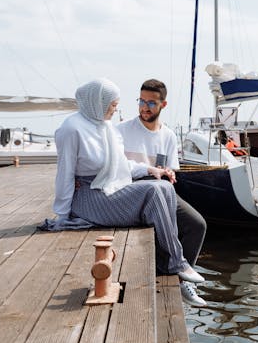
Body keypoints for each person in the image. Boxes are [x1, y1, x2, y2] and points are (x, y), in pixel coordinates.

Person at [47, 78, 203, 286]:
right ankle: (177, 263)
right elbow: (65, 174)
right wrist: (63, 216)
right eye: (112, 105)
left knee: (164, 187)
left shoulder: (104, 127)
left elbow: (121, 164)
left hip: (107, 187)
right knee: (153, 192)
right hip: (87, 195)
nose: (115, 110)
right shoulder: (71, 129)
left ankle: (173, 263)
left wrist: (151, 170)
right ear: (98, 102)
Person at [117, 79, 207, 306]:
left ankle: (180, 279)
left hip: (161, 189)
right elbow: (116, 168)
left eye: (151, 103)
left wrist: (168, 172)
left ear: (163, 105)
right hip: (130, 189)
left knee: (197, 225)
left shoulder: (168, 136)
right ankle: (167, 274)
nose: (144, 107)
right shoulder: (121, 131)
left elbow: (171, 170)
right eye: (141, 101)